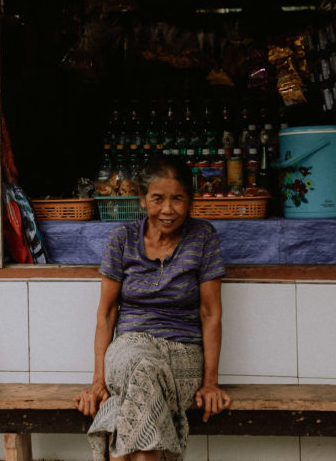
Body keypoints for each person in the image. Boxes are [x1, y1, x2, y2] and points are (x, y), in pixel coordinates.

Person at [74, 153, 231, 461]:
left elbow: (210, 313)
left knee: (134, 396)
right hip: (128, 351)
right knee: (143, 368)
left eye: (178, 199)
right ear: (143, 199)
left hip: (183, 355)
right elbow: (106, 314)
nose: (168, 209)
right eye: (158, 198)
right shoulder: (123, 239)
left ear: (189, 201)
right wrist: (97, 383)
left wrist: (211, 383)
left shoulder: (202, 237)